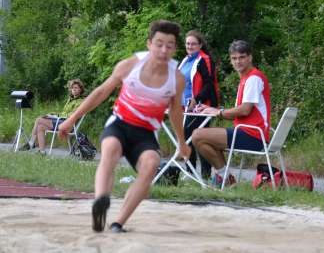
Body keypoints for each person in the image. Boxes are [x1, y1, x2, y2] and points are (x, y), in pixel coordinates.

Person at [58, 20, 191, 233]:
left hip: (145, 133)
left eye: (169, 45)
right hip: (120, 124)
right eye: (159, 44)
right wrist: (71, 119)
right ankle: (101, 200)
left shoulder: (177, 78)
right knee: (110, 149)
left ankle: (118, 223)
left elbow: (176, 112)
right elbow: (100, 93)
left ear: (175, 48)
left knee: (151, 164)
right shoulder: (130, 65)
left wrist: (182, 143)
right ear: (149, 44)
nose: (163, 50)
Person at [192, 40, 270, 188]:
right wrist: (214, 111)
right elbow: (239, 112)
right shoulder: (246, 78)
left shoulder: (253, 78)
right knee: (203, 138)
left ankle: (226, 179)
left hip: (253, 135)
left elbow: (244, 110)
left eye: (241, 57)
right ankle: (226, 180)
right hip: (247, 132)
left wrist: (218, 112)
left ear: (250, 58)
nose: (237, 61)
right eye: (234, 58)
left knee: (197, 136)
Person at [178, 30, 219, 180]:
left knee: (198, 138)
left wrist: (197, 99)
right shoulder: (186, 60)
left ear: (200, 45)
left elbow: (209, 85)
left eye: (193, 43)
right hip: (185, 107)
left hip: (202, 106)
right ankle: (191, 172)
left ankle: (204, 175)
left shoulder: (204, 59)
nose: (190, 46)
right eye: (188, 43)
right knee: (188, 136)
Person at [20, 79, 85, 154]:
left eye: (76, 88)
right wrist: (52, 114)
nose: (74, 89)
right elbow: (63, 113)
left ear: (80, 89)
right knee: (40, 126)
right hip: (61, 120)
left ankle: (31, 143)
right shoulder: (70, 100)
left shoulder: (81, 101)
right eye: (72, 87)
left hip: (67, 124)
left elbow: (73, 115)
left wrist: (56, 116)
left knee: (39, 119)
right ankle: (42, 151)